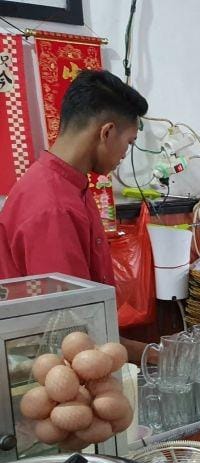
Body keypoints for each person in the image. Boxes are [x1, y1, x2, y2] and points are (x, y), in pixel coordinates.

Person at [0, 70, 150, 362]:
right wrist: (154, 355)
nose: (123, 156)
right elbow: (71, 330)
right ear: (106, 132)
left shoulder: (69, 185)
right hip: (53, 366)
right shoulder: (52, 206)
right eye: (128, 143)